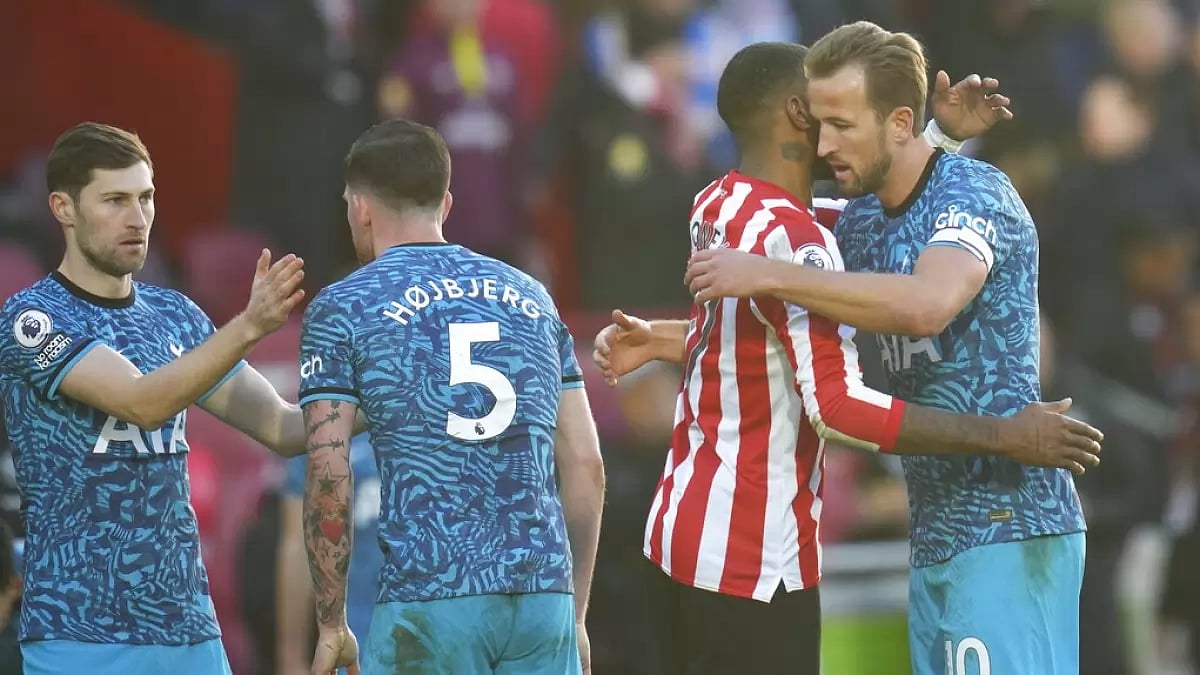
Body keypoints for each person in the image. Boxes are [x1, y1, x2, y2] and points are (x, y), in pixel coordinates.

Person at [591, 41, 1102, 675]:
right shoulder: (844, 225)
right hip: (931, 526)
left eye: (841, 123)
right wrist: (680, 336)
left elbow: (922, 302)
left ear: (894, 121)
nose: (827, 142)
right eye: (821, 120)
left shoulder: (971, 196)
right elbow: (796, 301)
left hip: (1007, 516)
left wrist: (770, 275)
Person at [0, 122, 321, 674]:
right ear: (63, 208)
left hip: (189, 632)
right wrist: (248, 325)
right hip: (81, 632)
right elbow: (141, 402)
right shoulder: (32, 319)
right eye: (115, 200)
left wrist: (402, 393)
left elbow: (286, 429)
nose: (137, 218)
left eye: (146, 198)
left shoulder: (176, 315)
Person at [297, 119, 605, 675]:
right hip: (542, 598)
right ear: (446, 201)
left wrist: (330, 621)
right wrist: (574, 615)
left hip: (430, 598)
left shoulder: (345, 305)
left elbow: (327, 473)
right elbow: (586, 464)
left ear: (361, 207)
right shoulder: (533, 296)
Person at [276, 433, 383, 675]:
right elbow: (299, 547)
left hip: (437, 634)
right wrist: (290, 659)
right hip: (354, 645)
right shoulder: (324, 420)